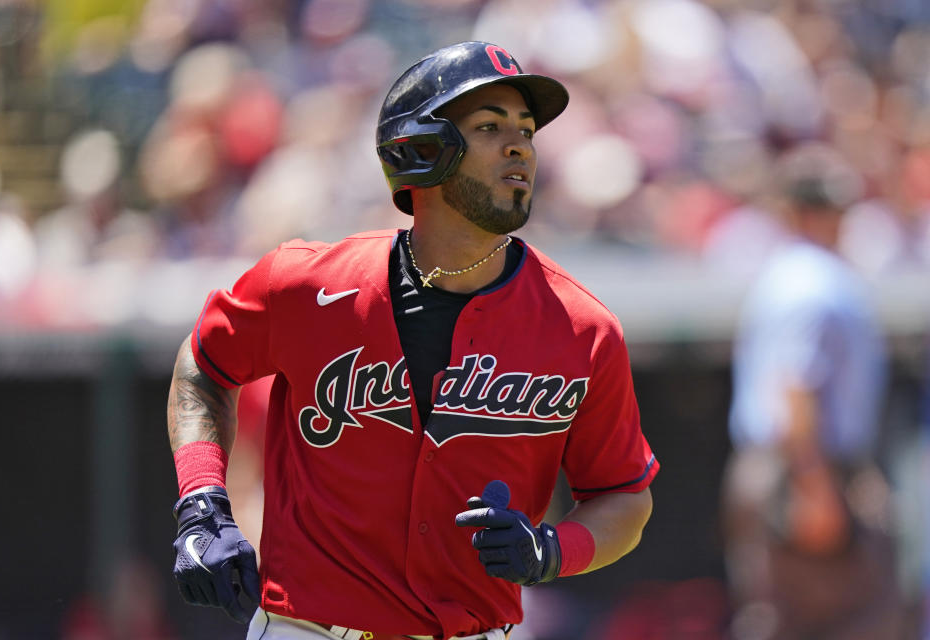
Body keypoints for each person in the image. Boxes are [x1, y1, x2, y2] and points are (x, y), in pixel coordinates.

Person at [166, 41, 658, 640]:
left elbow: (624, 500)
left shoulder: (584, 328)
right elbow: (204, 362)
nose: (519, 145)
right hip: (309, 629)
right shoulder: (306, 284)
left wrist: (555, 549)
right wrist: (201, 501)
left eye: (527, 130)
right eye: (488, 126)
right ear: (422, 149)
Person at [721, 143, 904, 639]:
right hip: (805, 470)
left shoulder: (789, 273)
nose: (836, 219)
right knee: (847, 621)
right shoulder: (810, 283)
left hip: (788, 467)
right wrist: (813, 488)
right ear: (798, 211)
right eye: (826, 207)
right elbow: (795, 388)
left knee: (786, 618)